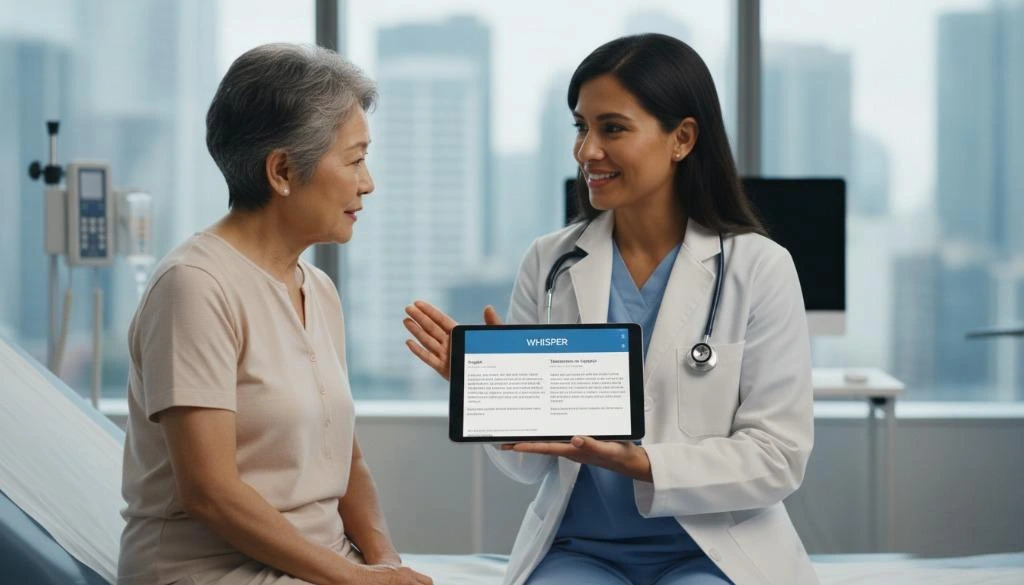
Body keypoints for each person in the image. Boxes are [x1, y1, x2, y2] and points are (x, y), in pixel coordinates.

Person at [403, 34, 817, 585]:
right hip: (582, 549)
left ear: (682, 138)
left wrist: (642, 464)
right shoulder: (550, 261)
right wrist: (485, 394)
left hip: (714, 545)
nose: (586, 151)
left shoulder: (758, 268)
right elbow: (529, 466)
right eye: (581, 127)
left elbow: (778, 456)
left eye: (612, 128)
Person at [118, 44, 431, 585]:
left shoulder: (320, 289)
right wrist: (353, 580)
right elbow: (210, 493)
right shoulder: (195, 286)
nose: (368, 182)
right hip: (211, 571)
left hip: (321, 566)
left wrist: (385, 562)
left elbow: (346, 463)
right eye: (355, 159)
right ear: (283, 170)